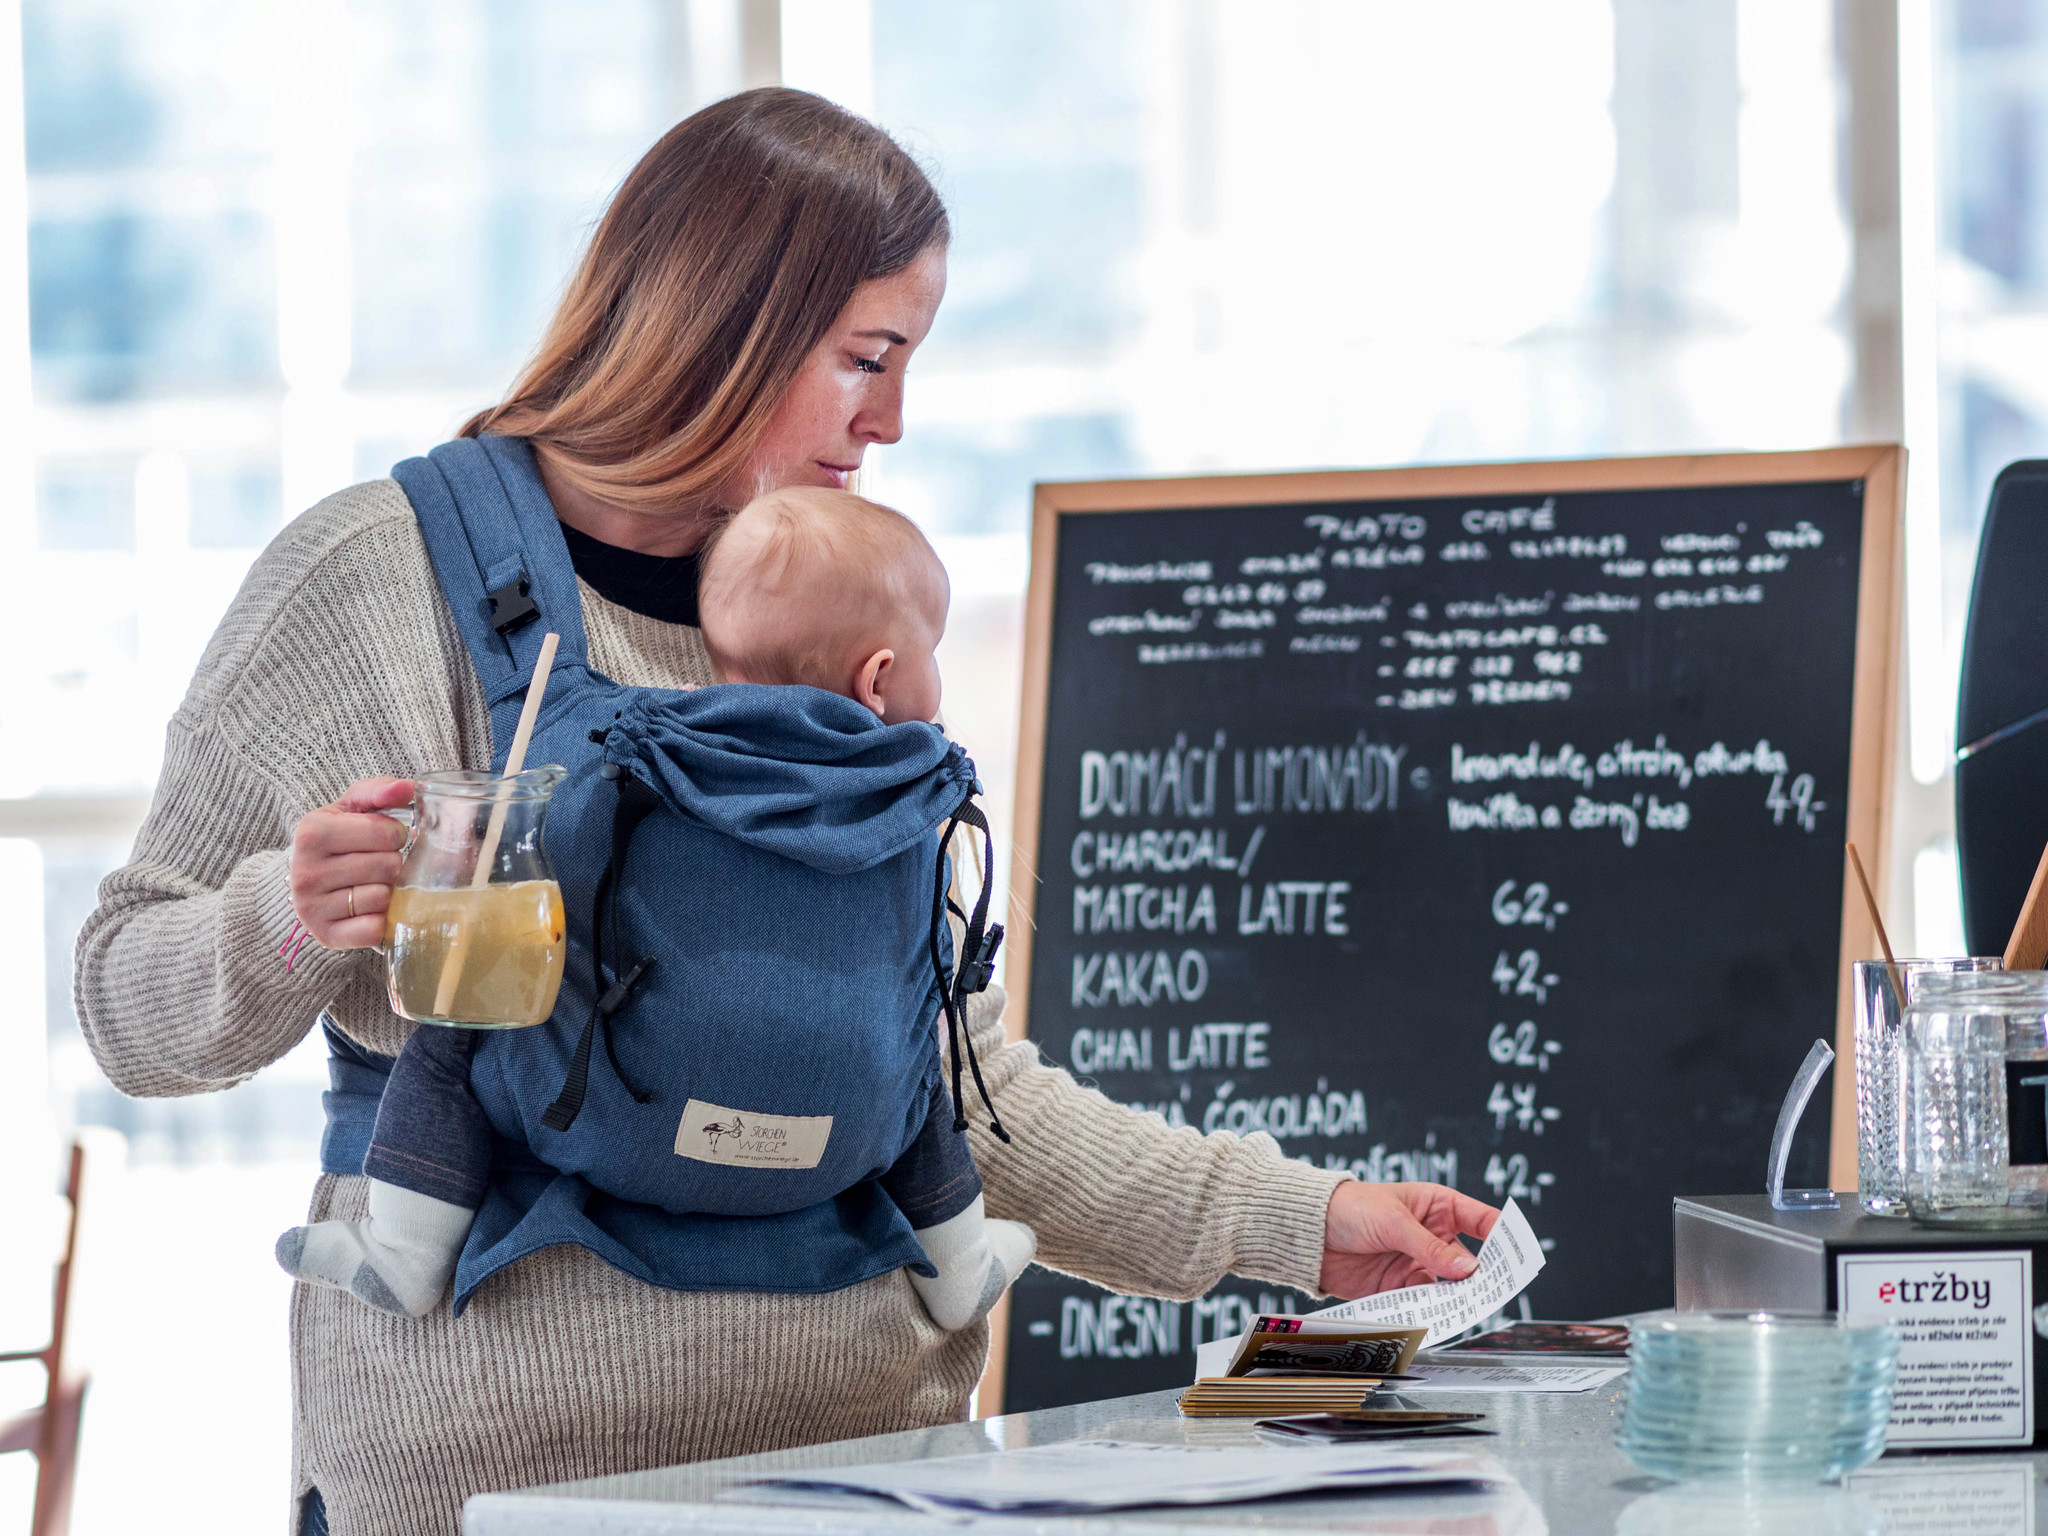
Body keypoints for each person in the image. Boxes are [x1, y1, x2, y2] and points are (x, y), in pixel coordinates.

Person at [73, 88, 1498, 1536]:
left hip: (872, 1479)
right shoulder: (375, 582)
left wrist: (1305, 1227)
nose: (892, 419)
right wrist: (286, 918)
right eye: (865, 360)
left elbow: (956, 1098)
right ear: (724, 324)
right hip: (484, 1493)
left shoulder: (838, 618)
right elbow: (126, 1004)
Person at [276, 486, 1037, 1332]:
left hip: (603, 1134)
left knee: (456, 1022)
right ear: (880, 677)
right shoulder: (908, 790)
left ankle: (408, 1249)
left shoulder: (663, 747)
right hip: (849, 1149)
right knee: (918, 1056)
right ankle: (960, 1266)